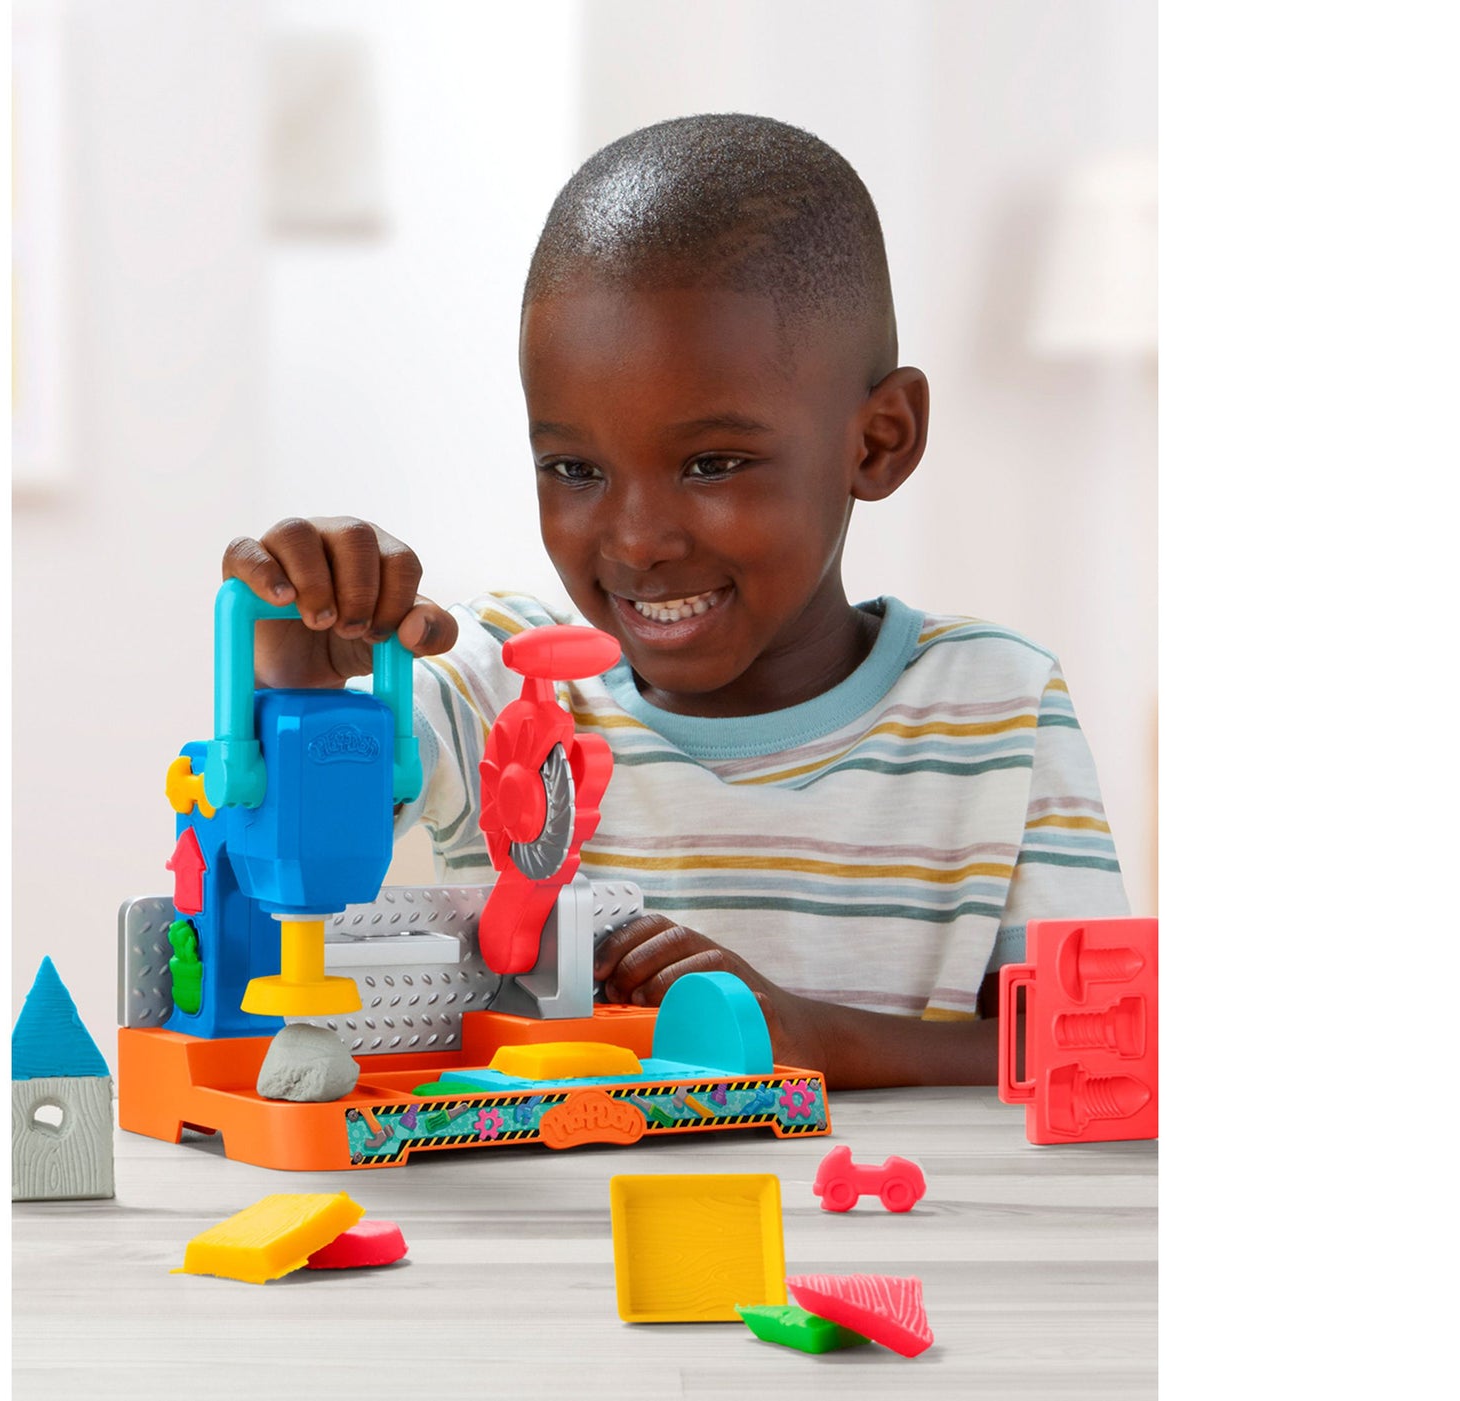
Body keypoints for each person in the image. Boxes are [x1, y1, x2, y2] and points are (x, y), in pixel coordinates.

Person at [221, 114, 1130, 1087]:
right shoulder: (500, 687)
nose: (636, 540)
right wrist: (295, 691)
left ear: (878, 441)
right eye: (574, 468)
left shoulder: (996, 705)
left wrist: (819, 1040)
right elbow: (306, 813)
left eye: (712, 463)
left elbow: (1095, 1050)